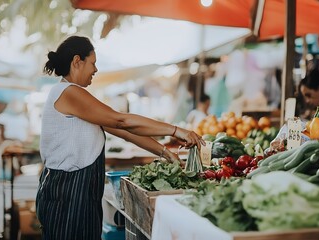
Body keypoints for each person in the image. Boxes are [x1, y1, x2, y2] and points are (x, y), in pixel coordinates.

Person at [36, 35, 204, 239]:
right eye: (93, 63)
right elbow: (121, 121)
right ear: (77, 61)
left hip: (76, 191)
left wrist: (165, 152)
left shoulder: (73, 95)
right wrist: (176, 131)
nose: (95, 70)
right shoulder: (68, 92)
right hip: (67, 192)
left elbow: (124, 131)